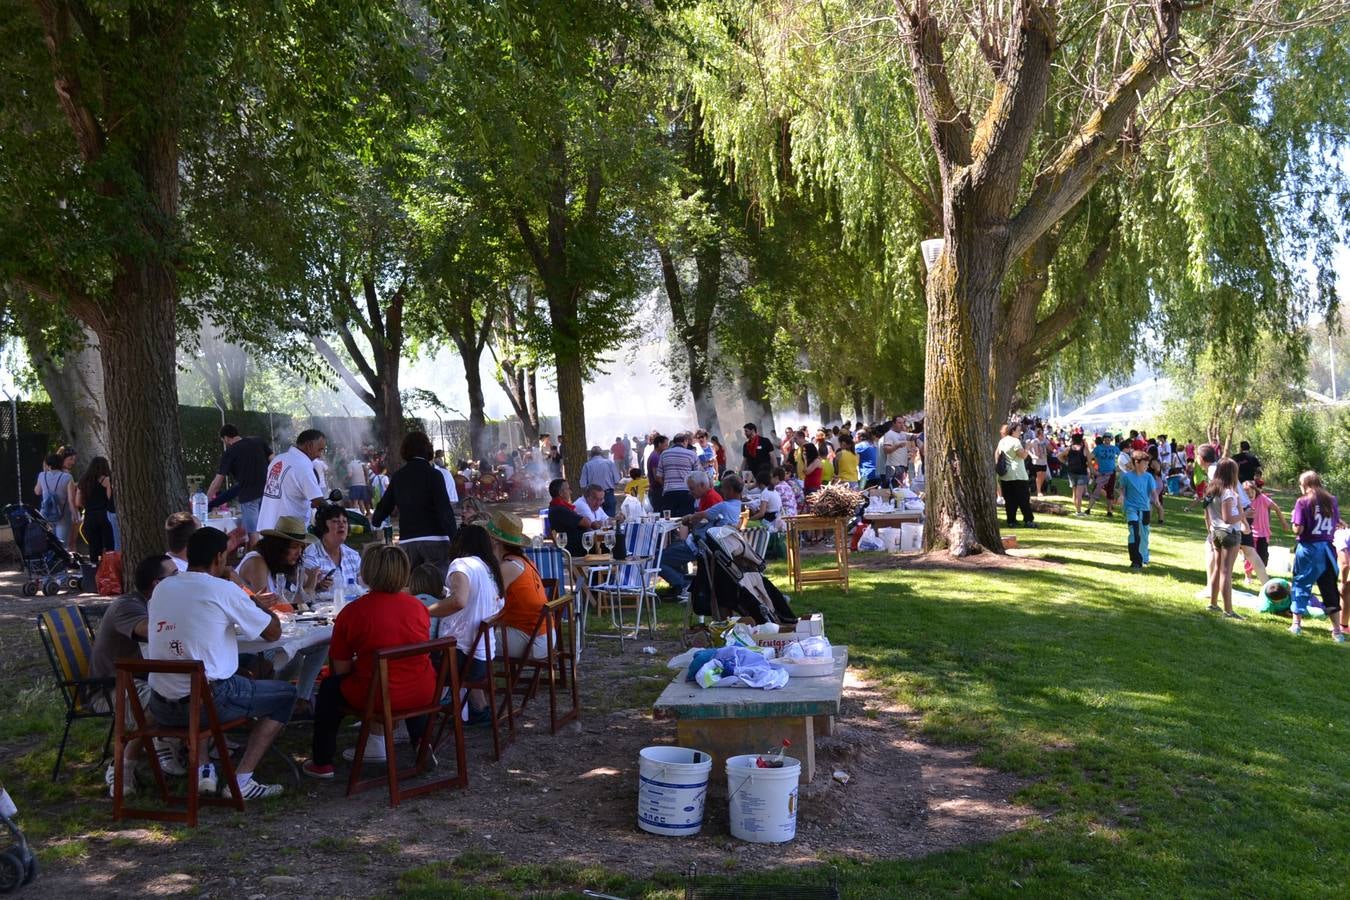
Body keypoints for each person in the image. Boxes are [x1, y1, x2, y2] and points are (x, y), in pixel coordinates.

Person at [147, 527, 293, 800]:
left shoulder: (163, 587)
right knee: (286, 695)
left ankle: (205, 770)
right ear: (218, 558)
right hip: (207, 703)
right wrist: (246, 595)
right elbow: (273, 632)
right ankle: (243, 779)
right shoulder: (223, 589)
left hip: (160, 704)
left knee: (206, 671)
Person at [301, 545, 436, 780]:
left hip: (380, 693)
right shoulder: (418, 607)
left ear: (368, 572)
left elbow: (340, 670)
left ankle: (322, 762)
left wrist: (359, 663)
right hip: (423, 690)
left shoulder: (354, 611)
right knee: (407, 676)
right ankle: (421, 743)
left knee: (330, 690)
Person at [87, 554, 184, 795]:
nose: (180, 580)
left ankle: (169, 745)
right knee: (164, 700)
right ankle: (121, 767)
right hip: (110, 689)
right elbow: (150, 631)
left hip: (141, 680)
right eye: (174, 576)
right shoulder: (128, 605)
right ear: (156, 584)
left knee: (188, 690)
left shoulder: (156, 604)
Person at [236, 517, 327, 714]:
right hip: (253, 637)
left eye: (301, 548)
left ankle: (301, 698)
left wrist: (307, 582)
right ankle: (273, 701)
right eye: (295, 547)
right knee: (291, 652)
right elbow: (270, 608)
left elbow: (292, 597)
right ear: (279, 546)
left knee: (321, 642)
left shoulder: (276, 563)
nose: (299, 553)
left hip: (273, 630)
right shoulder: (257, 562)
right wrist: (309, 587)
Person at [426, 525, 505, 724]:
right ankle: (478, 710)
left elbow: (459, 601)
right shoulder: (490, 568)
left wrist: (423, 611)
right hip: (483, 658)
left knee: (408, 659)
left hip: (459, 660)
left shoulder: (461, 564)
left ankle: (416, 720)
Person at [372, 431, 457, 576]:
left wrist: (376, 520)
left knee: (413, 587)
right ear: (428, 450)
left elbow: (384, 506)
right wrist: (455, 539)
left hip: (408, 540)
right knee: (438, 587)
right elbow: (444, 510)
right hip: (435, 539)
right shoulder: (435, 475)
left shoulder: (398, 477)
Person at [659, 474, 746, 597]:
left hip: (700, 545)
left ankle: (684, 584)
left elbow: (702, 515)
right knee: (671, 550)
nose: (721, 491)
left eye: (723, 488)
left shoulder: (720, 504)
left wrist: (689, 518)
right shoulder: (736, 505)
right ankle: (683, 583)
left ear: (730, 490)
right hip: (710, 545)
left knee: (657, 560)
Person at [485, 511, 551, 660]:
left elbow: (488, 602)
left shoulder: (508, 567)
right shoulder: (523, 560)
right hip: (542, 635)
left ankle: (466, 681)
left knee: (471, 642)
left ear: (495, 540)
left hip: (532, 640)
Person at [1288, 471, 1342, 641]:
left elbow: (1299, 529)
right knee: (1329, 588)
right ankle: (1337, 631)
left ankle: (1296, 624)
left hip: (1308, 549)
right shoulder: (1331, 500)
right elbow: (1337, 524)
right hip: (1327, 550)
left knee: (1301, 584)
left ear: (1305, 484)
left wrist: (1293, 521)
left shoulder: (1303, 502)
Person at [207, 425, 271, 537]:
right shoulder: (258, 441)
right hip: (268, 492)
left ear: (226, 438)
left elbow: (217, 482)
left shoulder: (230, 452)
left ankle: (252, 554)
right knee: (265, 529)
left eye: (223, 441)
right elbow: (273, 459)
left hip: (249, 496)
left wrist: (206, 501)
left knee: (253, 533)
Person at [257, 429, 326, 533]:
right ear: (309, 445)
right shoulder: (303, 465)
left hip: (266, 526)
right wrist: (335, 511)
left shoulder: (278, 459)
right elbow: (317, 500)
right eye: (320, 449)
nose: (320, 455)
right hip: (288, 532)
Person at [1203, 459, 1245, 619]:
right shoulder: (1228, 492)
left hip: (1215, 532)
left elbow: (1207, 514)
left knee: (1217, 569)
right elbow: (1228, 518)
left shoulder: (1211, 490)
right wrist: (1244, 515)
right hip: (1229, 533)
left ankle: (1213, 603)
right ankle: (1229, 610)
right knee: (1226, 571)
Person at [302, 504, 363, 596]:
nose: (342, 525)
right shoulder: (311, 554)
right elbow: (304, 590)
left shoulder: (353, 555)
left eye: (345, 521)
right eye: (335, 521)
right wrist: (318, 586)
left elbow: (363, 585)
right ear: (323, 526)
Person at [1119, 451, 1163, 569]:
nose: (1147, 466)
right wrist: (1121, 496)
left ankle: (1144, 556)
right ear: (1137, 462)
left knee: (1144, 534)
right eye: (1145, 463)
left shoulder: (1148, 477)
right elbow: (1122, 489)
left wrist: (1157, 501)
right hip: (1131, 509)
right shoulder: (1126, 477)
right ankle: (1135, 561)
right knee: (1134, 532)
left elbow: (1154, 492)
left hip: (1145, 509)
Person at [75, 456, 116, 562]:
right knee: (109, 545)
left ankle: (95, 569)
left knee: (93, 546)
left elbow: (77, 502)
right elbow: (109, 498)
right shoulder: (106, 480)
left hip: (89, 515)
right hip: (104, 515)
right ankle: (109, 570)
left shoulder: (83, 481)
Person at [996, 424, 1035, 528]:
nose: (1020, 433)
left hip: (1005, 475)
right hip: (1018, 474)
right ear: (1012, 431)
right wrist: (1027, 448)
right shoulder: (1015, 441)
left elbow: (997, 455)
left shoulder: (1002, 441)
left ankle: (1011, 520)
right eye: (1018, 431)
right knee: (1023, 499)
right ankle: (1028, 520)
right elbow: (1022, 455)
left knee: (1009, 500)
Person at [1245, 481, 1287, 578]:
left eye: (1251, 491)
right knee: (1249, 555)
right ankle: (1248, 575)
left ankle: (1260, 572)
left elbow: (1276, 508)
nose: (1250, 494)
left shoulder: (1262, 499)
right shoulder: (1243, 502)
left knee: (1263, 556)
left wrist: (1284, 523)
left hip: (1263, 533)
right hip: (1250, 532)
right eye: (1246, 492)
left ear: (1255, 490)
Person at [34, 453, 76, 545]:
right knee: (62, 546)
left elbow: (37, 491)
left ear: (48, 464)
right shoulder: (67, 477)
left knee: (49, 545)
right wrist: (75, 515)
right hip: (63, 516)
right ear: (61, 463)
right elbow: (71, 499)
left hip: (46, 515)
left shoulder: (42, 475)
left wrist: (45, 472)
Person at [545, 479, 598, 552]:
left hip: (581, 544)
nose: (570, 492)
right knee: (612, 545)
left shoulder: (557, 507)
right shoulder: (560, 509)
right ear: (561, 493)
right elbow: (587, 523)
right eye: (568, 489)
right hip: (578, 548)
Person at [656, 433, 699, 517]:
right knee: (686, 521)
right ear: (685, 441)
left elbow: (658, 477)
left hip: (669, 492)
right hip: (687, 493)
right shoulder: (692, 454)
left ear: (675, 442)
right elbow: (696, 475)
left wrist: (667, 486)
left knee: (668, 520)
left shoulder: (664, 454)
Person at [579, 446, 621, 517]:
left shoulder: (587, 465)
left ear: (590, 455)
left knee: (594, 518)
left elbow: (582, 484)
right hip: (608, 494)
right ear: (602, 454)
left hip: (593, 496)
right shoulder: (609, 463)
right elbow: (617, 480)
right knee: (609, 519)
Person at [1085, 434, 1121, 517]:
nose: (1107, 440)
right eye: (1105, 438)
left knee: (1110, 492)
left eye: (1109, 438)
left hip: (1111, 473)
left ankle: (1109, 511)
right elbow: (1089, 458)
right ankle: (1088, 509)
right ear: (1103, 439)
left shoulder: (1114, 448)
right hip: (1101, 473)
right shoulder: (1098, 448)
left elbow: (1122, 458)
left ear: (1111, 439)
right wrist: (1093, 470)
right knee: (1095, 491)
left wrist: (1119, 467)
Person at [1059, 433, 1091, 516]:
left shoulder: (1069, 449)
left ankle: (1076, 509)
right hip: (1082, 472)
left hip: (1071, 472)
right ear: (1081, 440)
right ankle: (1078, 511)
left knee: (1074, 492)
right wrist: (1093, 472)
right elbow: (1090, 462)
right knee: (1079, 493)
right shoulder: (1085, 449)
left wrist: (1066, 463)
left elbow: (1059, 456)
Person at [880, 417, 914, 487]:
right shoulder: (888, 438)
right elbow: (888, 452)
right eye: (899, 424)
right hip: (891, 470)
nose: (902, 427)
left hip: (891, 469)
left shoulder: (887, 438)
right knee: (894, 489)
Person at [645, 434, 668, 512]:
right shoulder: (656, 457)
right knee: (659, 513)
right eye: (665, 445)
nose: (667, 447)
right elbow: (657, 477)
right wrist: (666, 487)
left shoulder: (657, 456)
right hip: (657, 491)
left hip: (655, 490)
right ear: (659, 444)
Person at [1026, 428, 1049, 497]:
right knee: (1039, 476)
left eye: (1043, 433)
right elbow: (1028, 449)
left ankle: (1039, 488)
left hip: (1044, 461)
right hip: (1037, 461)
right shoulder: (1034, 441)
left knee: (1043, 475)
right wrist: (1032, 455)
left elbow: (1050, 447)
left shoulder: (1045, 441)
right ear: (1038, 434)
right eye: (1041, 433)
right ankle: (1039, 491)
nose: (1042, 434)